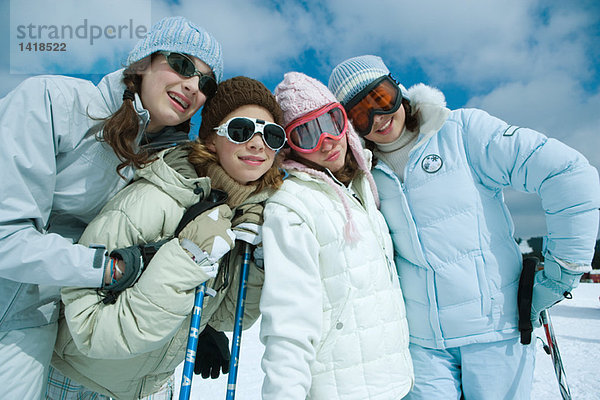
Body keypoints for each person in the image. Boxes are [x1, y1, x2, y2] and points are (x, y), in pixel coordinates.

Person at [328, 55, 600, 399]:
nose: (376, 118)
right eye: (358, 115)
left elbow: (569, 174)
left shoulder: (462, 132)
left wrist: (561, 273)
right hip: (420, 346)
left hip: (494, 335)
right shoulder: (362, 174)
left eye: (380, 99)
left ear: (398, 89)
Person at [0, 15, 224, 398]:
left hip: (58, 324)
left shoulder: (164, 160)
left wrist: (201, 325)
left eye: (206, 83)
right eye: (183, 65)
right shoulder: (52, 102)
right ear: (141, 63)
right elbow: (7, 237)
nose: (192, 85)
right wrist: (110, 268)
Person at [47, 76, 286, 399]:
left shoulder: (241, 217)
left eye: (271, 135)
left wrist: (255, 262)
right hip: (79, 383)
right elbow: (89, 328)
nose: (258, 144)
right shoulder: (154, 198)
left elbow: (229, 315)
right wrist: (188, 256)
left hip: (153, 387)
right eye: (241, 130)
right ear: (211, 139)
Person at [258, 71, 414, 400]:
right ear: (290, 147)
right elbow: (289, 322)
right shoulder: (290, 208)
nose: (326, 141)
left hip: (395, 382)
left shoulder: (361, 189)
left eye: (331, 122)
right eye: (307, 134)